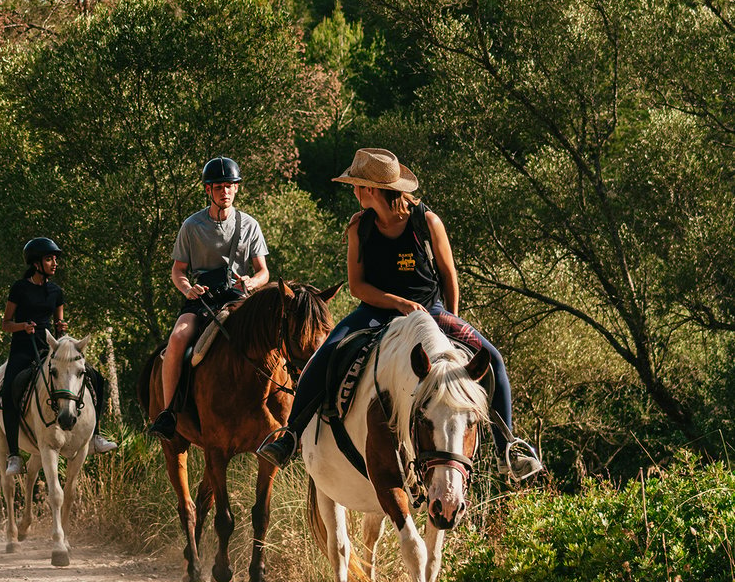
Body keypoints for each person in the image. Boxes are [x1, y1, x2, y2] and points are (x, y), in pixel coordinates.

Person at [255, 147, 544, 480]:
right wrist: (397, 303)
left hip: (430, 311)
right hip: (375, 312)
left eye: (356, 184)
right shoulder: (359, 227)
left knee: (491, 358)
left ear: (373, 190)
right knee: (328, 353)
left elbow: (449, 276)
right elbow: (357, 286)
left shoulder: (427, 222)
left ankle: (507, 448)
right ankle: (290, 436)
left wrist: (451, 321)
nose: (353, 190)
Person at [147, 157, 270, 439]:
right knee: (178, 338)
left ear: (237, 189)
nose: (225, 192)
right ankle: (168, 413)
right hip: (201, 297)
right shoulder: (191, 226)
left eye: (230, 186)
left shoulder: (250, 225)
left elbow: (263, 271)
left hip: (238, 296)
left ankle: (283, 407)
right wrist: (186, 288)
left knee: (270, 336)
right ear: (208, 190)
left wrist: (251, 281)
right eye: (219, 187)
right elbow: (178, 270)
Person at [0, 237, 117, 477]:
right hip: (23, 348)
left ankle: (95, 436)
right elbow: (6, 324)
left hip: (51, 348)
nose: (54, 263)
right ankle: (13, 454)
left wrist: (61, 328)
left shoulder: (56, 291)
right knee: (8, 388)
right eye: (49, 259)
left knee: (95, 377)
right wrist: (23, 326)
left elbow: (58, 325)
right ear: (36, 263)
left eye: (55, 259)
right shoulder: (19, 288)